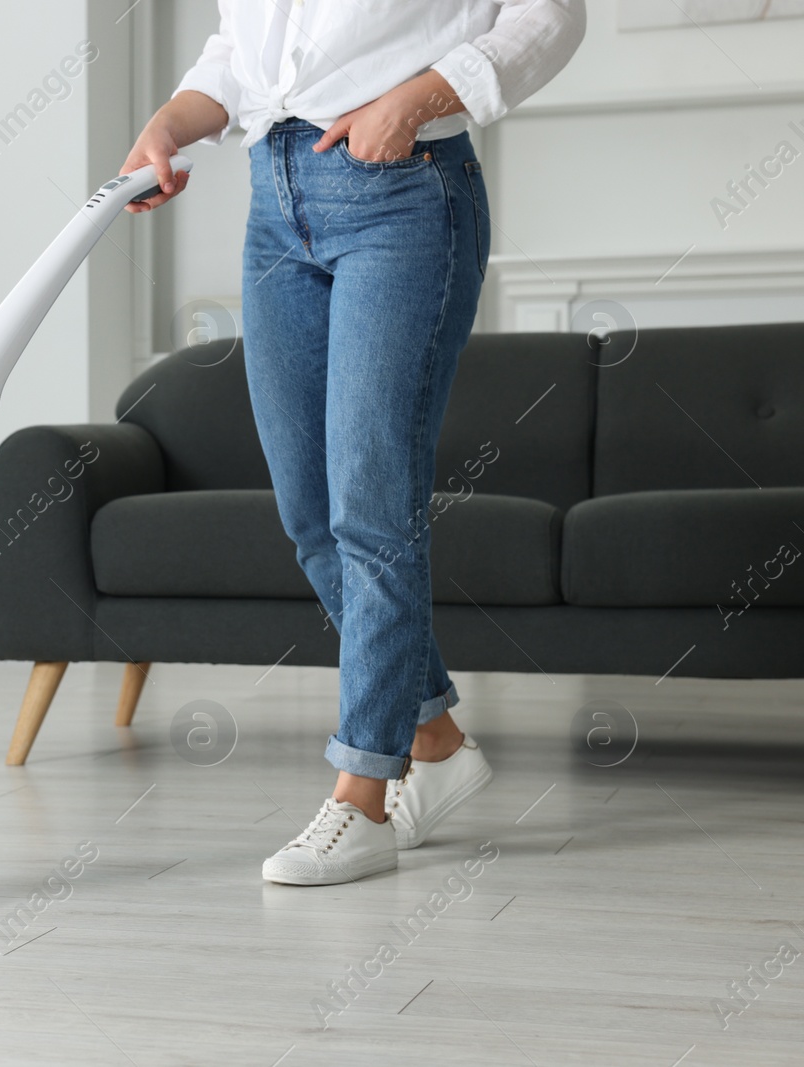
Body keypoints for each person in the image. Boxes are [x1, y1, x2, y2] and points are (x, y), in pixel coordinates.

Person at [121, 1, 586, 885]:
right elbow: (244, 52)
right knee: (310, 513)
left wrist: (413, 101)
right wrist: (168, 124)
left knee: (374, 509)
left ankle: (363, 794)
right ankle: (436, 739)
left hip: (404, 195)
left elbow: (551, 16)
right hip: (275, 199)